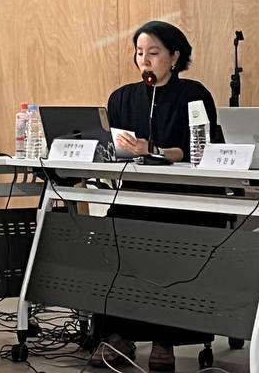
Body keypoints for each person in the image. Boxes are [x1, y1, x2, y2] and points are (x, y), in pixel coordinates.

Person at [92, 21, 218, 371]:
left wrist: (155, 150)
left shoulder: (193, 94)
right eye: (139, 53)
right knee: (110, 237)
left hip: (182, 198)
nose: (144, 60)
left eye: (154, 53)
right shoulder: (122, 98)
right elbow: (116, 145)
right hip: (136, 194)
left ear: (174, 57)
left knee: (170, 244)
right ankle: (118, 333)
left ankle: (165, 338)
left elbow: (198, 149)